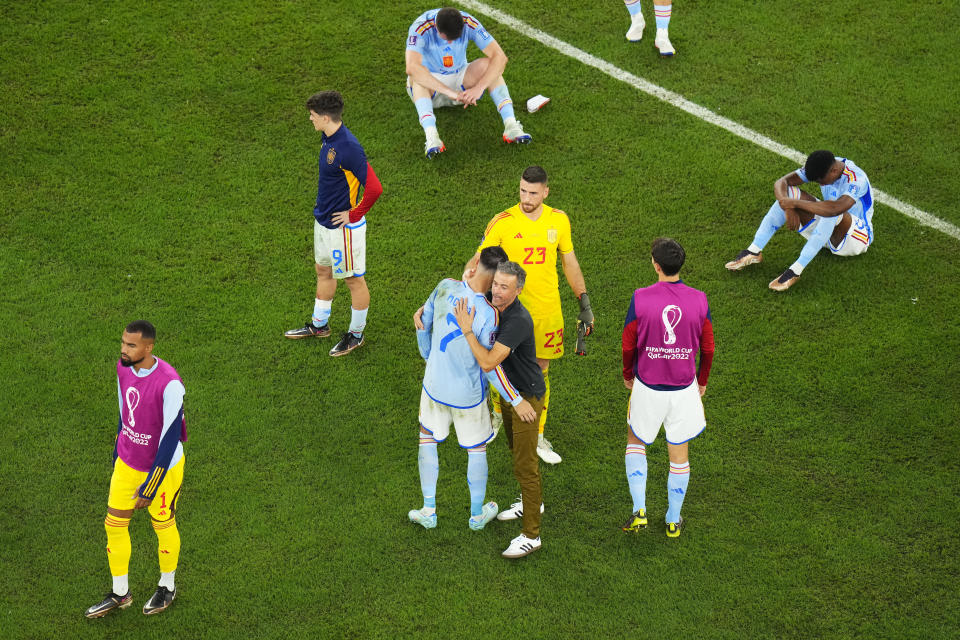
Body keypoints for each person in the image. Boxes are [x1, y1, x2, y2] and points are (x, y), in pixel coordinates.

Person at [467, 165, 594, 465]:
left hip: (547, 311)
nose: (526, 197)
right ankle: (497, 415)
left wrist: (584, 301)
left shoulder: (559, 221)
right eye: (523, 190)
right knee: (500, 364)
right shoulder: (503, 222)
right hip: (507, 312)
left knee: (540, 372)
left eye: (533, 193)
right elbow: (478, 260)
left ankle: (536, 433)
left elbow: (570, 263)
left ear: (545, 192)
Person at [409, 247, 536, 532]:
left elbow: (422, 323)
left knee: (427, 439)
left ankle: (429, 510)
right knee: (476, 449)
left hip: (434, 388)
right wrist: (515, 399)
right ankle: (477, 515)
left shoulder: (444, 286)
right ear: (497, 277)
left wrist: (429, 358)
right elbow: (490, 366)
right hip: (467, 397)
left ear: (476, 262)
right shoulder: (491, 315)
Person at [85, 321, 187, 618]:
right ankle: (120, 593)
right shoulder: (123, 368)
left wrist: (151, 486)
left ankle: (167, 586)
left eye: (131, 345)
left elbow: (169, 440)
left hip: (162, 470)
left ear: (148, 347)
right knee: (113, 525)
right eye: (123, 343)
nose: (123, 349)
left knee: (162, 524)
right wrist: (118, 451)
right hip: (128, 465)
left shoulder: (170, 384)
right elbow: (123, 413)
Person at [621, 239, 714, 538]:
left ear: (655, 265)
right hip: (683, 390)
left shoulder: (640, 298)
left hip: (647, 387)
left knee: (636, 441)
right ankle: (673, 520)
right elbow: (709, 348)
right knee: (679, 453)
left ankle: (640, 512)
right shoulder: (700, 299)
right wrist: (701, 381)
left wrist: (627, 374)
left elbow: (628, 343)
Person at [453, 261, 545, 558]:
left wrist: (467, 332)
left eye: (505, 287)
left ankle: (532, 534)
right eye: (495, 284)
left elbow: (489, 362)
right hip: (510, 395)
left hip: (526, 400)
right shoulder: (494, 307)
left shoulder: (517, 320)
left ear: (519, 290)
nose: (496, 291)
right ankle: (530, 502)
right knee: (515, 451)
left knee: (526, 466)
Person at [284, 91, 383, 355]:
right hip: (324, 222)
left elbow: (374, 188)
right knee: (323, 271)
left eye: (313, 116)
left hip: (343, 228)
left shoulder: (348, 147)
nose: (310, 119)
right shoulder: (328, 137)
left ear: (326, 117)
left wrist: (354, 214)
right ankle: (320, 325)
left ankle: (356, 334)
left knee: (353, 280)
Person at [725, 150, 874, 292]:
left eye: (821, 181)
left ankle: (795, 271)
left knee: (831, 212)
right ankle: (754, 251)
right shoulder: (822, 165)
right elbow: (782, 182)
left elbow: (836, 208)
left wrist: (794, 204)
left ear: (834, 171)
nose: (821, 185)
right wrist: (788, 206)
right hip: (825, 230)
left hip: (856, 238)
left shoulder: (856, 179)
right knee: (789, 193)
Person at [405, 6, 531, 158]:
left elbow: (500, 57)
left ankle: (511, 125)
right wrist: (451, 93)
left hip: (460, 79)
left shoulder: (468, 23)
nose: (450, 43)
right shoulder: (420, 28)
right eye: (448, 39)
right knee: (417, 78)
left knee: (490, 66)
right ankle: (432, 137)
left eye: (455, 39)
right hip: (431, 87)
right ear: (436, 29)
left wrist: (479, 88)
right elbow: (412, 68)